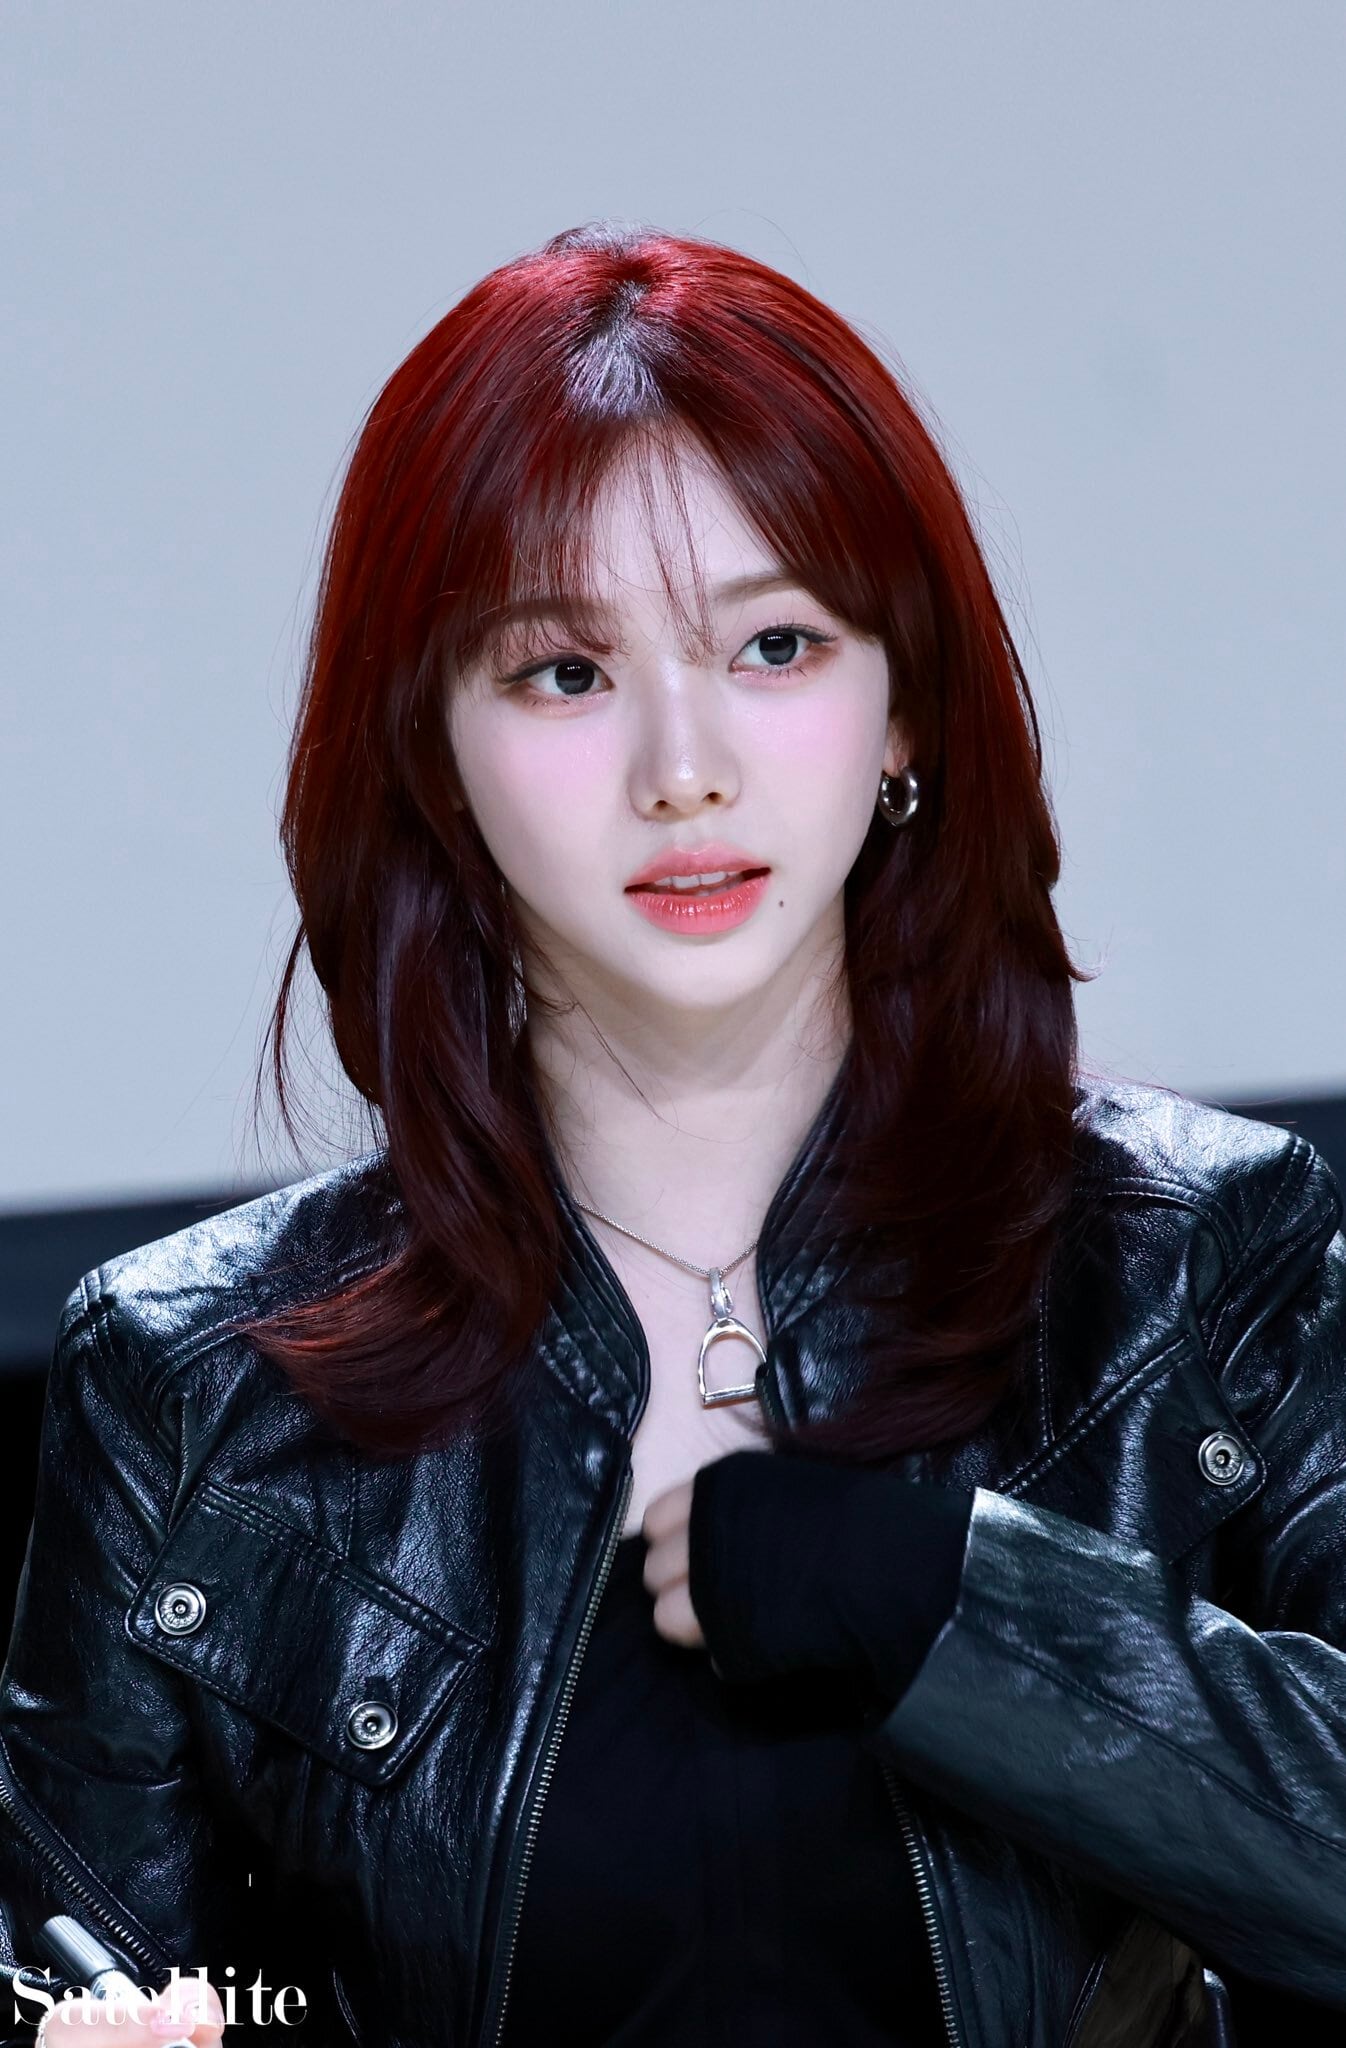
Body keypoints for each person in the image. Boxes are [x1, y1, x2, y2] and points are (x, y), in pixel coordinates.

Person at [2, 221, 1344, 2048]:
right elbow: (68, 1988)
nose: (683, 766)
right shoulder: (194, 1388)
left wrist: (956, 1605)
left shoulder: (1192, 1267)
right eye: (563, 672)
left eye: (775, 643)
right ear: (433, 754)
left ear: (903, 708)